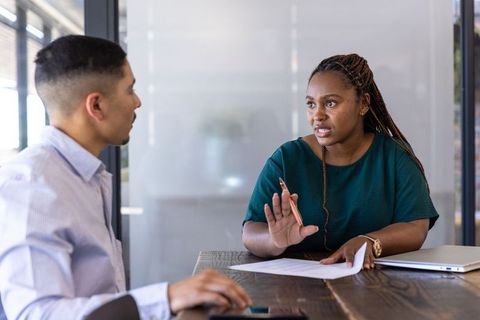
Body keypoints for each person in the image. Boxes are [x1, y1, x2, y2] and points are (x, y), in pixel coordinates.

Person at [0, 35, 251, 320]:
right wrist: (166, 297)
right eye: (130, 89)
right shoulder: (32, 186)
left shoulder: (85, 176)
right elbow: (38, 314)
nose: (137, 102)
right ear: (96, 106)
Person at [242, 53, 439, 269]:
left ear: (363, 103)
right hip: (297, 293)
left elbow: (416, 227)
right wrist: (274, 241)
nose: (317, 115)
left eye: (331, 103)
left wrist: (370, 241)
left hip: (376, 288)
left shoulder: (394, 156)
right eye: (311, 104)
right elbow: (251, 231)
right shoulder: (287, 159)